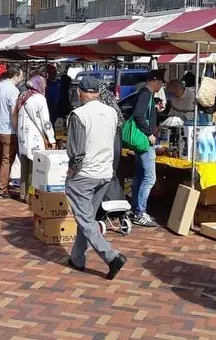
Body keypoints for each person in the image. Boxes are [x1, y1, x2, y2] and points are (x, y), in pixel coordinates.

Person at [64, 76, 127, 280]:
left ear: (80, 93)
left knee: (84, 219)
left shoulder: (79, 114)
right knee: (88, 218)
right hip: (104, 172)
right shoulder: (111, 112)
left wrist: (72, 171)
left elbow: (76, 150)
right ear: (98, 93)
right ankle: (77, 258)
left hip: (84, 173)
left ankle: (112, 256)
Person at [129, 69, 165, 228]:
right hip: (144, 142)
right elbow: (138, 114)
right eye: (161, 82)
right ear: (155, 81)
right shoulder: (145, 94)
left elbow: (142, 114)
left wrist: (156, 111)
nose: (162, 85)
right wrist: (149, 133)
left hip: (141, 142)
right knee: (149, 178)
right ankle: (139, 212)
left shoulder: (146, 95)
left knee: (140, 176)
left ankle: (135, 208)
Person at [14, 75, 55, 203]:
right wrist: (51, 138)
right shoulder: (39, 99)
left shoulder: (23, 96)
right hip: (34, 136)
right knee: (34, 167)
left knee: (24, 165)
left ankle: (23, 193)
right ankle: (30, 195)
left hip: (22, 135)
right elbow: (45, 120)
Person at [0, 70, 20, 199]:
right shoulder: (12, 90)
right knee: (6, 159)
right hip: (8, 129)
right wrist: (17, 127)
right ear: (15, 76)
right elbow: (13, 112)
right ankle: (2, 189)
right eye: (20, 76)